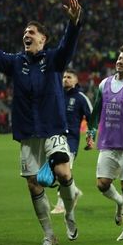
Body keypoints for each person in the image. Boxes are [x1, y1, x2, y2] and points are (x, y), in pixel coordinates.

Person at [0, 0, 83, 245]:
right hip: (27, 132)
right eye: (25, 32)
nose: (27, 34)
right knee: (34, 185)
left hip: (52, 128)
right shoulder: (15, 62)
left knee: (65, 174)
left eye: (32, 32)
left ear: (43, 39)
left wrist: (74, 23)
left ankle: (68, 214)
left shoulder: (54, 59)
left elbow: (68, 45)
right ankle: (49, 236)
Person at [87, 46, 123, 241]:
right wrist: (91, 131)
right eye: (120, 58)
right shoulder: (104, 84)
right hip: (108, 141)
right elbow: (96, 109)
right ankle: (119, 202)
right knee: (102, 184)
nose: (120, 61)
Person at [51, 69, 92, 214]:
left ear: (76, 80)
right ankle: (73, 191)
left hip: (71, 140)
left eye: (69, 77)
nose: (65, 79)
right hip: (54, 139)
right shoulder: (56, 95)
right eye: (64, 77)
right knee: (56, 171)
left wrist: (90, 136)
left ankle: (61, 203)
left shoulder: (80, 97)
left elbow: (91, 118)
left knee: (64, 171)